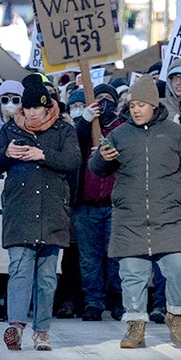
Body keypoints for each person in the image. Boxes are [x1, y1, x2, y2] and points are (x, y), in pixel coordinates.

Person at [88, 76, 181, 348]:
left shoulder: (174, 133)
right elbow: (96, 168)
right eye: (132, 104)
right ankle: (135, 326)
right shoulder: (119, 134)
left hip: (171, 217)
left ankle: (177, 314)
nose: (135, 109)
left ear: (153, 105)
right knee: (132, 274)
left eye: (142, 104)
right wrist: (102, 158)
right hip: (130, 219)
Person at [0, 74, 80, 351]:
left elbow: (74, 161)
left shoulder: (64, 130)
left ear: (47, 107)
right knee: (19, 270)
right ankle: (14, 326)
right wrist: (6, 154)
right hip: (21, 211)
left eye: (35, 108)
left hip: (52, 211)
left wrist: (43, 155)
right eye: (26, 109)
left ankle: (42, 330)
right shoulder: (10, 130)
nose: (30, 113)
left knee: (47, 278)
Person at [73, 83, 124, 322]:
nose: (103, 104)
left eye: (108, 99)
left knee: (115, 257)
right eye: (98, 99)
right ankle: (93, 302)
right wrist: (84, 121)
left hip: (114, 206)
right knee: (89, 259)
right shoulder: (83, 128)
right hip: (86, 205)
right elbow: (71, 145)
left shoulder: (122, 128)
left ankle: (118, 301)